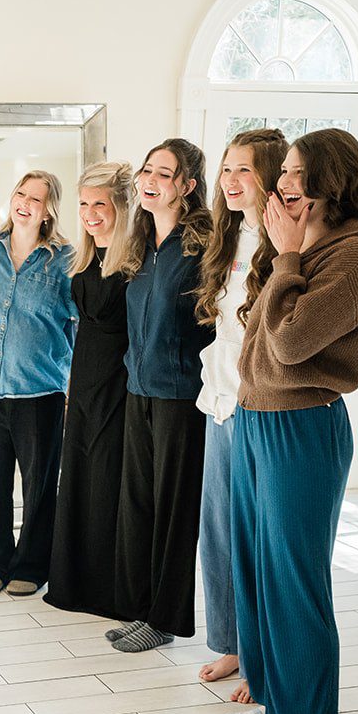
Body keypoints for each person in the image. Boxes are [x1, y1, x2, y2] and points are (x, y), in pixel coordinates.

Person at [218, 128, 358, 714]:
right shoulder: (301, 244)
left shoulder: (356, 256)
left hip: (304, 428)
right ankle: (271, 699)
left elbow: (290, 347)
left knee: (296, 581)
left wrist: (286, 255)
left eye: (293, 172)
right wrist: (284, 251)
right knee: (256, 568)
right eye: (282, 172)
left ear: (327, 180)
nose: (281, 183)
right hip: (256, 419)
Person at [108, 139, 214, 653]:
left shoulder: (203, 248)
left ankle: (166, 619)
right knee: (139, 504)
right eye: (147, 170)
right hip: (139, 388)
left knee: (174, 512)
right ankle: (141, 609)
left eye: (164, 174)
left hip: (181, 396)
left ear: (188, 187)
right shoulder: (143, 242)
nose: (150, 180)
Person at [192, 128, 286, 701]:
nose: (230, 180)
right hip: (219, 400)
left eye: (243, 170)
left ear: (270, 176)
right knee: (219, 531)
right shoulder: (227, 241)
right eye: (226, 169)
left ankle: (260, 655)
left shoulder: (283, 243)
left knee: (255, 536)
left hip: (259, 404)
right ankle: (231, 642)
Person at [0, 171, 75, 597]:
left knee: (39, 488)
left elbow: (78, 324)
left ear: (49, 209)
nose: (25, 203)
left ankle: (31, 565)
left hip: (40, 392)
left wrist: (72, 385)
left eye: (36, 198)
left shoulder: (65, 259)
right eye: (20, 193)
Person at [45, 162, 134, 617]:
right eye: (83, 203)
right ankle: (72, 584)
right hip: (81, 379)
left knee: (107, 482)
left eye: (100, 203)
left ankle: (106, 591)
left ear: (121, 206)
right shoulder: (83, 257)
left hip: (119, 381)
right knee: (77, 478)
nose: (90, 213)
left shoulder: (135, 259)